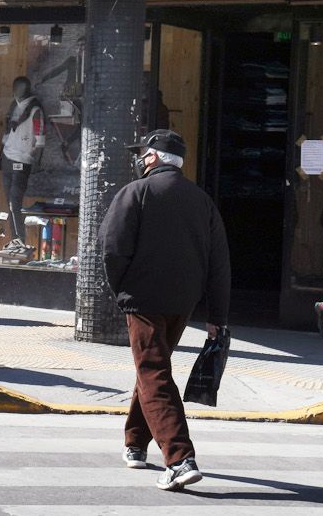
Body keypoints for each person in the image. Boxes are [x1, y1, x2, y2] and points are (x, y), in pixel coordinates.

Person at [101, 129, 230, 491]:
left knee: (153, 370)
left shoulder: (135, 193)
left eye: (142, 153)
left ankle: (179, 458)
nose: (139, 159)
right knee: (152, 367)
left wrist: (122, 290)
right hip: (182, 302)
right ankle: (135, 443)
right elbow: (220, 263)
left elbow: (112, 249)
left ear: (154, 157)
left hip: (144, 299)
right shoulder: (202, 201)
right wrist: (216, 317)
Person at [0, 76, 45, 240]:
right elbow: (7, 132)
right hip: (7, 158)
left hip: (22, 161)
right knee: (10, 204)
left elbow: (40, 139)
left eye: (21, 88)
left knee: (15, 203)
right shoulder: (13, 106)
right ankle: (15, 239)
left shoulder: (35, 110)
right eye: (16, 87)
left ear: (27, 89)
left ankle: (19, 240)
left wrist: (35, 160)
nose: (18, 91)